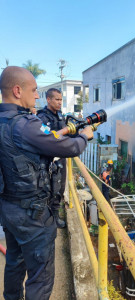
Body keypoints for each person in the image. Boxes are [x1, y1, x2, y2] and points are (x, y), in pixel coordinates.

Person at [0, 66, 93, 300]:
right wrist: (84, 136)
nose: (38, 96)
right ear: (18, 90)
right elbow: (66, 147)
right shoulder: (26, 124)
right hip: (32, 213)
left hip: (8, 208)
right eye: (34, 90)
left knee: (14, 260)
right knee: (40, 277)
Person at [37, 88, 66, 228]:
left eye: (61, 99)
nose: (60, 102)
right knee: (49, 190)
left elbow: (66, 134)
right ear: (48, 99)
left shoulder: (60, 115)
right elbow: (46, 136)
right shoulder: (41, 118)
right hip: (47, 161)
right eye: (57, 99)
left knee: (60, 189)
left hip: (60, 159)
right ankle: (48, 219)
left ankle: (55, 217)